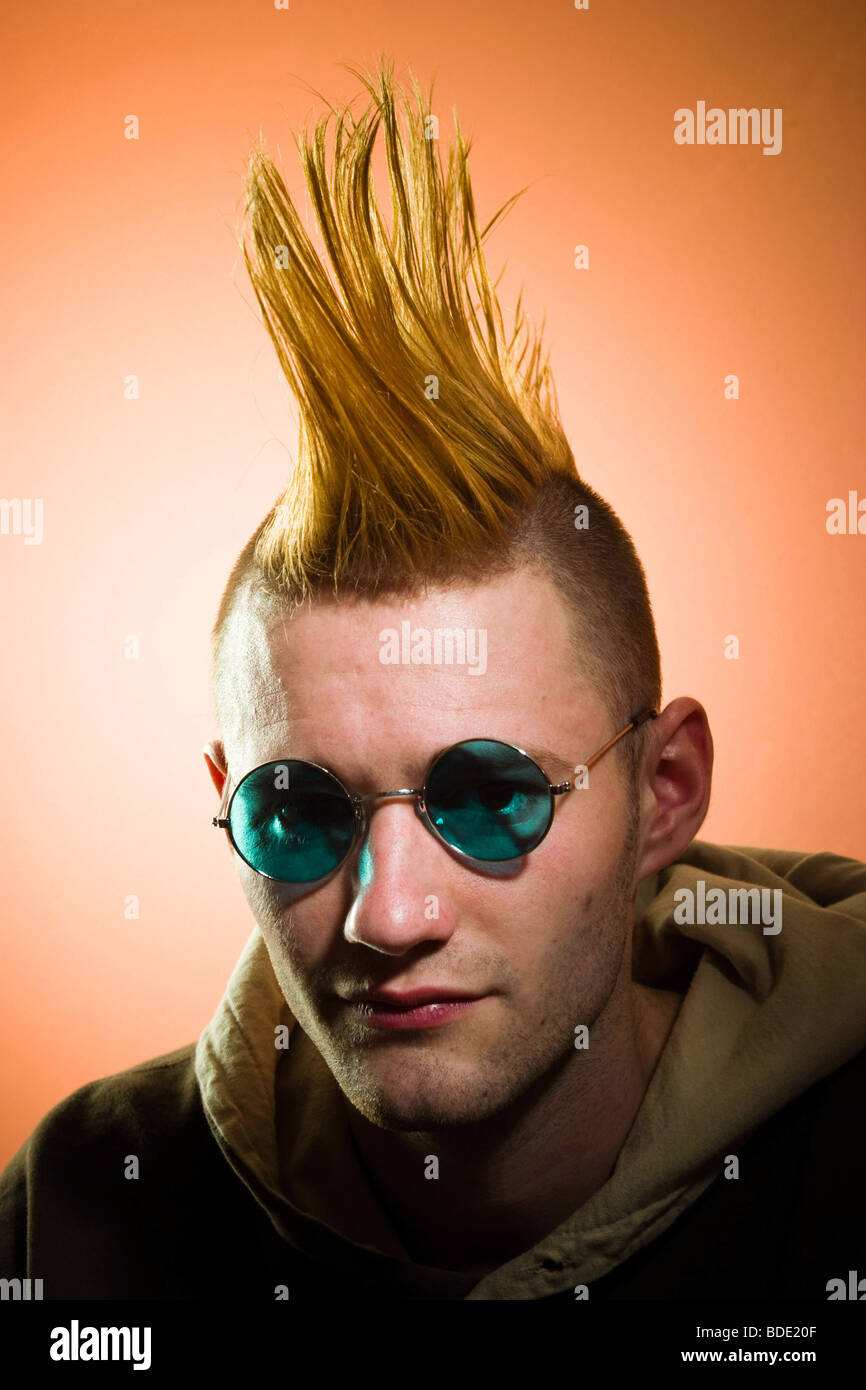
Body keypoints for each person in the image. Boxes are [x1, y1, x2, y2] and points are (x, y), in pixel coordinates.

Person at [2, 58, 865, 1303]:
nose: (387, 917)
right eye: (299, 810)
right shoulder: (72, 1222)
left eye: (487, 794)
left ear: (662, 791)